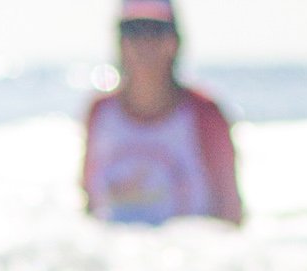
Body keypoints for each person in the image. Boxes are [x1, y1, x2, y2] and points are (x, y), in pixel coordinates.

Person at [82, 0, 242, 226]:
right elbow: (88, 201)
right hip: (114, 256)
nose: (144, 42)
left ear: (175, 41)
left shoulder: (204, 113)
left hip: (188, 256)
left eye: (156, 30)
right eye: (133, 30)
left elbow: (231, 210)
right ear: (119, 41)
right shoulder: (101, 111)